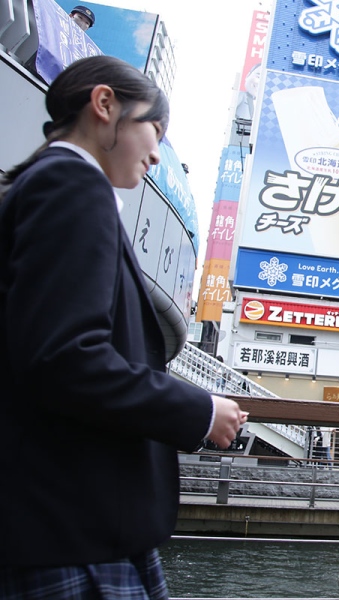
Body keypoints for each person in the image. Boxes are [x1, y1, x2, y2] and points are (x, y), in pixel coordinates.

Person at [0, 56, 248, 598]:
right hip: (72, 526)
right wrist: (199, 409)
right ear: (105, 105)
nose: (156, 152)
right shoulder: (72, 185)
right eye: (153, 129)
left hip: (58, 520)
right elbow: (67, 358)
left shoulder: (43, 185)